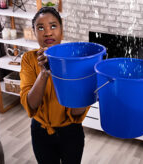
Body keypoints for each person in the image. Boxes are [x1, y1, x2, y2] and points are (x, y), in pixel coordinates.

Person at [20, 7, 90, 164]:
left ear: (61, 29)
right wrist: (44, 73)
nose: (48, 32)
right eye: (40, 27)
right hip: (40, 133)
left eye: (53, 26)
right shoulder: (28, 59)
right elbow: (30, 104)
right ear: (34, 32)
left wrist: (86, 94)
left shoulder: (74, 61)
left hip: (71, 132)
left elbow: (77, 112)